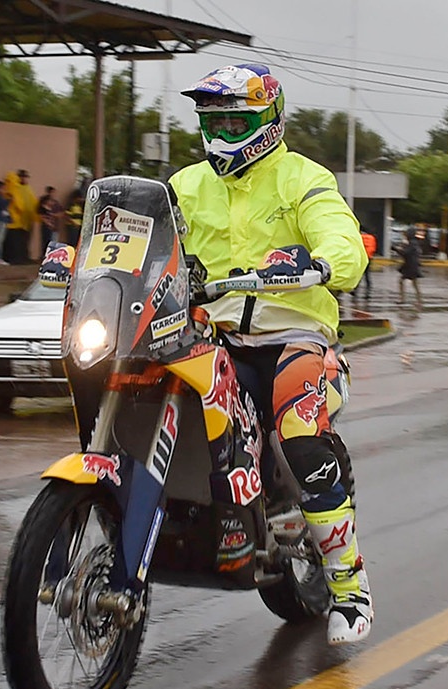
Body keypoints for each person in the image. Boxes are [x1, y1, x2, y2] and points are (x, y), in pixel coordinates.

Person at [170, 63, 373, 645]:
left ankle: (351, 589)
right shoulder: (185, 186)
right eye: (216, 120)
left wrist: (322, 260)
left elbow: (338, 234)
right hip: (214, 337)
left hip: (295, 338)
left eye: (238, 120)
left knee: (297, 426)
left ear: (268, 120)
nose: (225, 130)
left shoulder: (303, 179)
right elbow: (141, 234)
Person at [398, 226, 424, 308]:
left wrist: (396, 249)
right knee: (411, 283)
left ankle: (415, 300)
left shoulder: (412, 243)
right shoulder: (413, 242)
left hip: (411, 266)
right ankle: (416, 300)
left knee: (411, 283)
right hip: (411, 265)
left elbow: (405, 253)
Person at [36, 185, 62, 257]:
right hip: (46, 226)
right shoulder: (43, 201)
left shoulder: (56, 203)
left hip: (55, 226)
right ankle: (45, 256)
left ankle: (51, 256)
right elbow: (40, 213)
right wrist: (47, 222)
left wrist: (54, 215)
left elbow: (61, 213)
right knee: (46, 242)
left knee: (53, 242)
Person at [356, 227, 376, 302]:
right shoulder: (372, 238)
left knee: (359, 275)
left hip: (361, 258)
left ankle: (355, 291)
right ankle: (368, 291)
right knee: (367, 276)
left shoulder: (360, 237)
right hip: (369, 258)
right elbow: (373, 249)